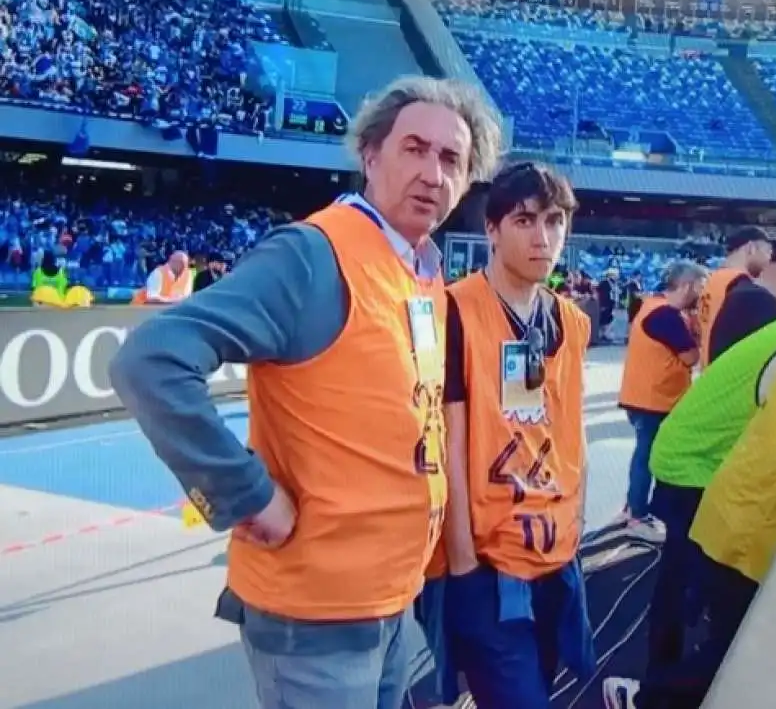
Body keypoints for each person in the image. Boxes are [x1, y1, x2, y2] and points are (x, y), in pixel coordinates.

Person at [109, 75, 502, 709]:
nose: (433, 172)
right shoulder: (314, 255)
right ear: (370, 155)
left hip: (390, 601)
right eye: (414, 148)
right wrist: (246, 495)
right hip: (317, 617)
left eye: (451, 159)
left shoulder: (418, 269)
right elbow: (150, 360)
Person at [603, 235, 776, 709]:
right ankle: (652, 687)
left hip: (703, 454)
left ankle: (660, 675)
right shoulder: (766, 314)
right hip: (700, 461)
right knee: (691, 586)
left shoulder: (737, 295)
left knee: (695, 583)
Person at [437, 164, 595, 708]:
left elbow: (569, 427)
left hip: (556, 551)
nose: (543, 237)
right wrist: (462, 559)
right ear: (492, 229)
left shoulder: (571, 321)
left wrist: (575, 519)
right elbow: (450, 440)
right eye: (525, 220)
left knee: (544, 686)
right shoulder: (455, 309)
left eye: (555, 221)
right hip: (489, 559)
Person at [617, 260, 707, 541]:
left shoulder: (651, 305)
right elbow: (691, 357)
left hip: (644, 396)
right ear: (688, 285)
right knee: (647, 457)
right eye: (701, 288)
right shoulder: (666, 316)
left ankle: (633, 506)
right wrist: (699, 330)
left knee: (643, 454)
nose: (702, 296)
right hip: (654, 399)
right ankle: (638, 515)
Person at [696, 226, 772, 369]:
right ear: (751, 248)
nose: (769, 260)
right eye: (768, 251)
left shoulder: (713, 281)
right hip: (728, 373)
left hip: (710, 371)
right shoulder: (743, 290)